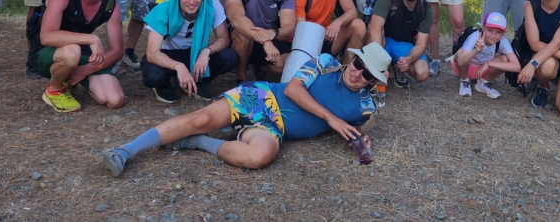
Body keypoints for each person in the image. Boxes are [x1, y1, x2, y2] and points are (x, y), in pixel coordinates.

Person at [102, 43, 389, 175]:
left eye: (367, 74)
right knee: (203, 116)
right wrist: (330, 118)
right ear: (353, 59)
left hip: (275, 127)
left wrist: (361, 140)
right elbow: (292, 88)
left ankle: (198, 143)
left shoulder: (365, 107)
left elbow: (357, 134)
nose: (357, 73)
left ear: (374, 81)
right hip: (263, 96)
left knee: (260, 156)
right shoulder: (326, 62)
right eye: (358, 64)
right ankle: (125, 150)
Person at [29, 0, 126, 112]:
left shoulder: (111, 5)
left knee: (114, 100)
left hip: (80, 54)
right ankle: (54, 89)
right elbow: (46, 36)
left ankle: (70, 77)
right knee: (72, 51)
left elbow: (117, 51)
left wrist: (87, 69)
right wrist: (92, 39)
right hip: (46, 53)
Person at [140, 0, 239, 102]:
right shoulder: (162, 10)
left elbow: (224, 39)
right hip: (167, 55)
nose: (191, 2)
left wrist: (206, 51)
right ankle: (163, 85)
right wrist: (179, 66)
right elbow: (152, 54)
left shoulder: (212, 4)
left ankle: (196, 80)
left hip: (195, 53)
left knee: (229, 56)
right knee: (154, 75)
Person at [367, 0, 431, 88]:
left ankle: (398, 66)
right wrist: (379, 63)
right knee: (371, 75)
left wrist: (408, 60)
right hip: (381, 40)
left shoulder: (426, 9)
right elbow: (375, 29)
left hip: (402, 44)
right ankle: (382, 65)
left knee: (422, 73)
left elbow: (422, 44)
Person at [452, 12, 522, 99]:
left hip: (482, 70)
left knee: (506, 59)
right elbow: (460, 61)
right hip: (464, 68)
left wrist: (489, 63)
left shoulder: (503, 41)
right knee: (460, 53)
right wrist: (476, 51)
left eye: (498, 32)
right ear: (483, 27)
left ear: (504, 32)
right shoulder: (475, 36)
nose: (493, 36)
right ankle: (464, 81)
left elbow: (517, 67)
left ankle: (483, 82)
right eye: (490, 30)